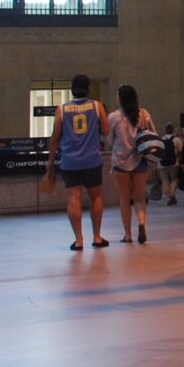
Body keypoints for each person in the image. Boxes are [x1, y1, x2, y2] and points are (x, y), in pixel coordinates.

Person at [44, 74, 110, 251]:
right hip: (92, 160)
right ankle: (97, 237)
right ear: (88, 89)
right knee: (95, 197)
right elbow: (105, 130)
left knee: (74, 197)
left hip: (70, 161)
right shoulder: (97, 106)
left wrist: (50, 161)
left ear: (72, 90)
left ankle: (79, 240)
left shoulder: (62, 109)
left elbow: (54, 138)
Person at [106, 84, 156, 243]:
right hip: (140, 160)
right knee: (140, 197)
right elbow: (153, 135)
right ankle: (141, 224)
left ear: (120, 99)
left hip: (121, 161)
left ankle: (127, 234)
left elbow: (109, 140)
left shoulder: (114, 117)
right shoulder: (144, 114)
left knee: (124, 198)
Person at [157, 121, 182, 206]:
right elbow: (180, 151)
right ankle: (172, 194)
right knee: (175, 179)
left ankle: (169, 198)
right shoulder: (176, 140)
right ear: (173, 130)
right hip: (174, 163)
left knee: (164, 180)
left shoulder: (160, 140)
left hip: (161, 163)